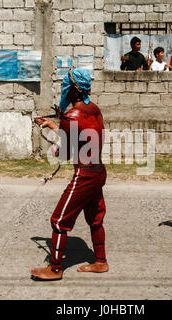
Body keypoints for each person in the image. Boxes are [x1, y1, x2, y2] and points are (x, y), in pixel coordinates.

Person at [31, 68, 109, 280]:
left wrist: (58, 146)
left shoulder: (71, 116)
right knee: (95, 219)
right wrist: (55, 125)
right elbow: (81, 132)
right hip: (99, 172)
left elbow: (65, 151)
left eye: (65, 85)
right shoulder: (94, 109)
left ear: (73, 90)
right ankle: (100, 262)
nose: (63, 88)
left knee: (58, 221)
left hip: (84, 175)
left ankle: (55, 269)